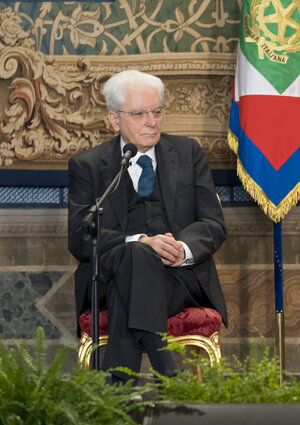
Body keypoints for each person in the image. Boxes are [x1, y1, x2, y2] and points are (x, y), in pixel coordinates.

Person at [68, 70, 228, 383]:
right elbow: (79, 238)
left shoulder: (188, 153)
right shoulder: (87, 165)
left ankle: (120, 385)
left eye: (157, 111)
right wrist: (140, 241)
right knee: (136, 254)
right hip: (110, 275)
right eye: (140, 113)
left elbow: (213, 222)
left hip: (178, 278)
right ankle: (161, 359)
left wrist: (182, 250)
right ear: (115, 120)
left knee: (133, 268)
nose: (151, 121)